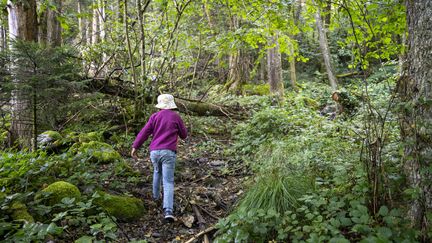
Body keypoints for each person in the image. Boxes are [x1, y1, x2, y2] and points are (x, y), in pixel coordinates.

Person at [131, 94, 188, 222]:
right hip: (168, 152)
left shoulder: (154, 117)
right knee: (168, 181)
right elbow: (184, 135)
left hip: (154, 152)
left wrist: (135, 146)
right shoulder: (176, 117)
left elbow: (144, 132)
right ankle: (168, 210)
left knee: (157, 172)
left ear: (160, 105)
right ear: (172, 105)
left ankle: (155, 198)